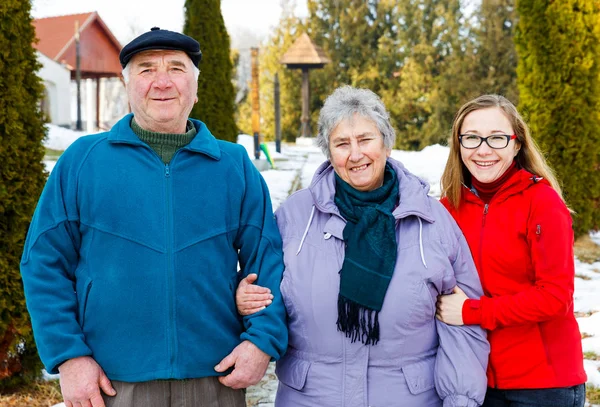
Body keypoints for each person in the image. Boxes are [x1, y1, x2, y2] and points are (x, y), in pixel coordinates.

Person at [20, 27, 287, 407]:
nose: (162, 82)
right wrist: (69, 357)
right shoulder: (82, 161)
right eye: (145, 70)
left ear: (195, 86)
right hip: (112, 382)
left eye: (176, 69)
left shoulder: (234, 166)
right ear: (127, 85)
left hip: (214, 379)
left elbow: (270, 260)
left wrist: (261, 341)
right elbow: (43, 263)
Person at [236, 86, 490, 406]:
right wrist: (244, 296)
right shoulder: (294, 216)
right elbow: (265, 288)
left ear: (386, 143)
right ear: (329, 152)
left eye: (366, 139)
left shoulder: (431, 221)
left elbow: (464, 325)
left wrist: (461, 399)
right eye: (342, 143)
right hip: (312, 398)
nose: (356, 154)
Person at [436, 94, 587, 406]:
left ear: (517, 144)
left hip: (543, 386)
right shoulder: (448, 208)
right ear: (458, 144)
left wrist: (471, 312)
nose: (483, 149)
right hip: (476, 380)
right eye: (472, 138)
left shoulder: (542, 203)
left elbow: (555, 298)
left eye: (497, 138)